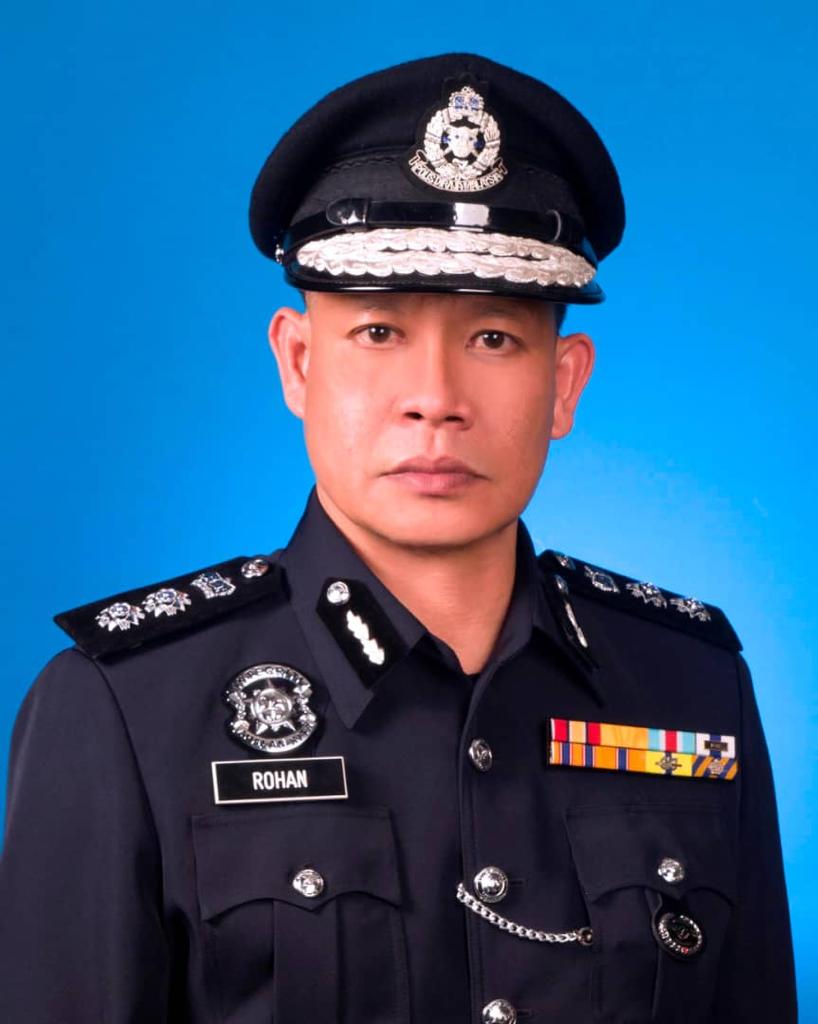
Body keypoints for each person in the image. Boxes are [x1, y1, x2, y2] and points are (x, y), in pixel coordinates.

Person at [0, 52, 797, 1023]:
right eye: (378, 333)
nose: (435, 400)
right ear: (298, 364)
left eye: (493, 338)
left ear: (563, 384)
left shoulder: (694, 688)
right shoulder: (123, 709)